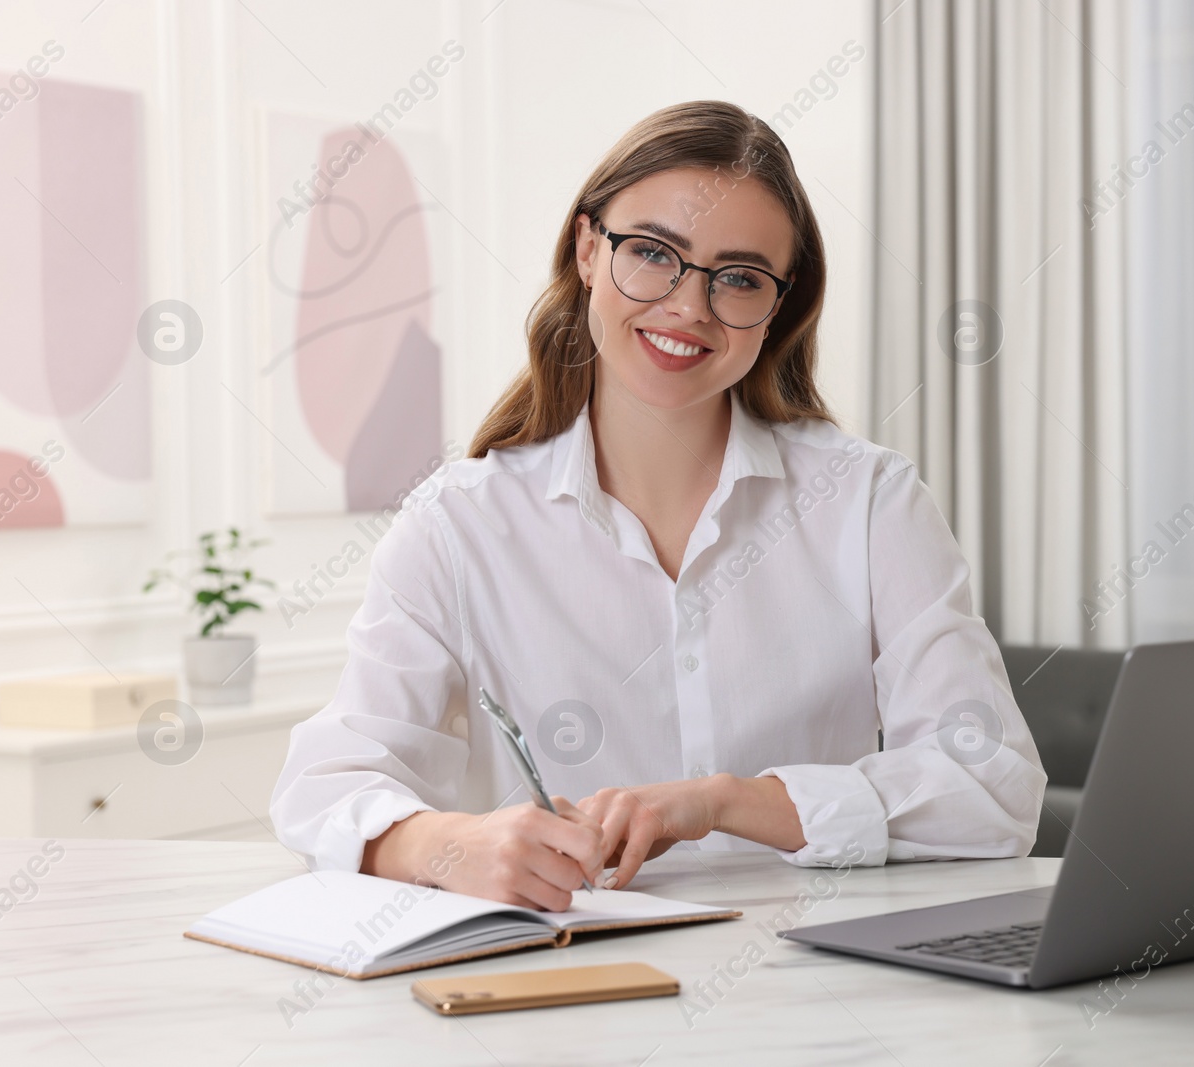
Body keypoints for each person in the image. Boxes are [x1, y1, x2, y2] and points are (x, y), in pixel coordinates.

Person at [270, 100, 1045, 911]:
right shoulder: (457, 524)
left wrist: (722, 800)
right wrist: (449, 846)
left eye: (739, 277)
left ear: (777, 303)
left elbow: (993, 784)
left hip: (822, 999)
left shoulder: (869, 502)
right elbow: (326, 785)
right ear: (585, 249)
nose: (688, 306)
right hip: (568, 1000)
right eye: (652, 254)